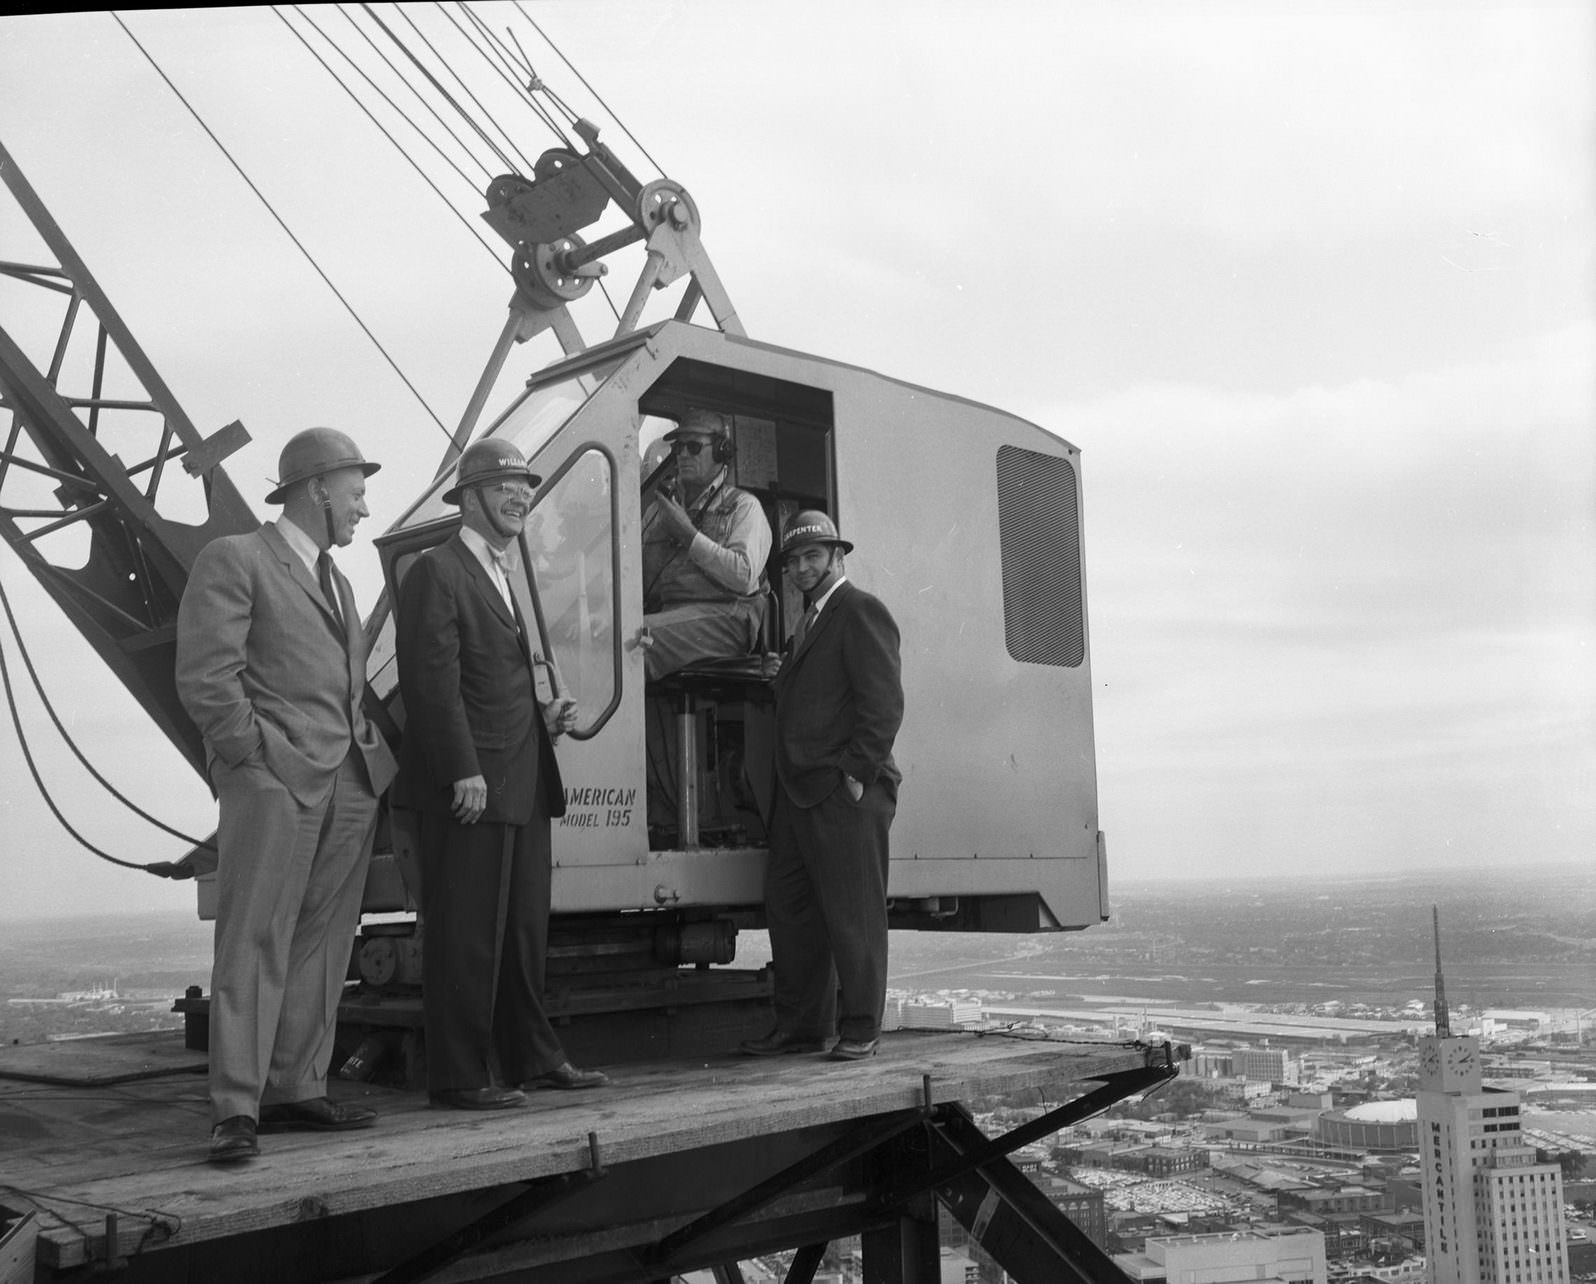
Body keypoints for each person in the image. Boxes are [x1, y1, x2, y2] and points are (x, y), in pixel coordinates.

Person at [175, 426, 398, 1163]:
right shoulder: (236, 559)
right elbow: (208, 678)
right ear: (318, 489)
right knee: (254, 939)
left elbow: (345, 683)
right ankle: (236, 1108)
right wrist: (253, 765)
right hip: (275, 784)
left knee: (323, 942)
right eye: (357, 493)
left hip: (347, 782)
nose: (364, 508)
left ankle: (296, 1085)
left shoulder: (338, 580)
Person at [393, 439, 608, 1110]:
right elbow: (432, 684)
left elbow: (487, 680)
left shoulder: (496, 571)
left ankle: (532, 1059)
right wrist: (462, 769)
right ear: (471, 497)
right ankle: (459, 1077)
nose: (522, 496)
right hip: (475, 786)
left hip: (519, 774)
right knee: (466, 933)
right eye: (507, 485)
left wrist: (543, 717)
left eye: (525, 485)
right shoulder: (438, 571)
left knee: (520, 932)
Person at [740, 511, 904, 1062]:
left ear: (838, 556)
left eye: (814, 556)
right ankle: (803, 1027)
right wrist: (780, 674)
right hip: (800, 792)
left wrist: (857, 775)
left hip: (842, 789)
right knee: (791, 910)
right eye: (795, 560)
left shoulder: (859, 610)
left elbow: (882, 705)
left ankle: (861, 1029)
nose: (803, 567)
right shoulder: (809, 621)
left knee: (854, 914)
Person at [640, 408, 773, 679]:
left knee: (634, 642)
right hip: (671, 615)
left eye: (693, 446)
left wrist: (687, 534)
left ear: (721, 451)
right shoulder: (659, 511)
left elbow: (744, 576)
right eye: (678, 447)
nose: (683, 455)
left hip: (728, 618)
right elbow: (643, 587)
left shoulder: (743, 506)